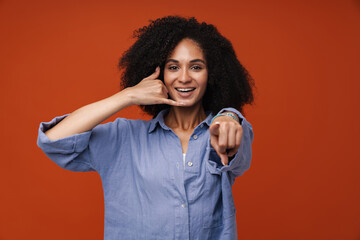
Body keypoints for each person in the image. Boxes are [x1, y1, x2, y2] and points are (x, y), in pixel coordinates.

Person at [37, 16, 254, 240]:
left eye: (196, 67)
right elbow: (53, 140)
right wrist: (127, 95)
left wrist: (230, 115)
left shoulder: (224, 130)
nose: (184, 78)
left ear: (213, 75)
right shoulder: (124, 137)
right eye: (173, 67)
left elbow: (238, 142)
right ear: (158, 74)